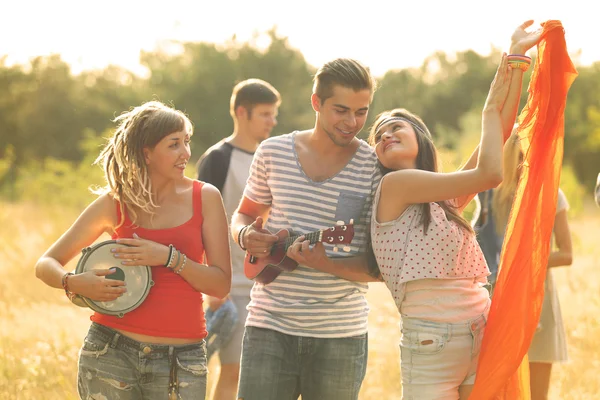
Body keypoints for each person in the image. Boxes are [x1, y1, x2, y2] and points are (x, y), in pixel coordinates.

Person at [364, 22, 542, 400]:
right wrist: (489, 105)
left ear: (420, 137)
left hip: (480, 326)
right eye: (377, 137)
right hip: (432, 339)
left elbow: (500, 129)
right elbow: (491, 171)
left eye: (394, 127)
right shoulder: (394, 186)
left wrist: (515, 59)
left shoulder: (443, 199)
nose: (384, 136)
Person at [34, 101, 231, 399]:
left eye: (186, 142)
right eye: (174, 144)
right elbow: (45, 263)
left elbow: (221, 283)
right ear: (147, 153)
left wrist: (168, 257)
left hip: (182, 360)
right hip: (111, 352)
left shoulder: (205, 198)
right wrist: (72, 282)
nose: (185, 153)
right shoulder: (116, 203)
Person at [230, 58, 381, 400]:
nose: (352, 122)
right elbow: (242, 215)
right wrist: (245, 236)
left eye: (361, 111)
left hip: (340, 336)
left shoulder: (374, 167)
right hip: (269, 325)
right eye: (341, 110)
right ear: (317, 102)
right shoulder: (273, 152)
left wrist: (324, 263)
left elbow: (379, 268)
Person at [196, 78, 281, 400]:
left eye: (274, 114)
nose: (273, 121)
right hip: (229, 288)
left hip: (268, 286)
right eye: (265, 114)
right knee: (232, 371)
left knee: (258, 377)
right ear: (242, 112)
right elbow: (200, 225)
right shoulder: (217, 158)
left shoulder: (272, 158)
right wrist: (212, 289)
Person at [481, 132, 573, 400]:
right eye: (521, 155)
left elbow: (567, 254)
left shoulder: (553, 193)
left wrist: (524, 261)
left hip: (539, 303)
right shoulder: (491, 198)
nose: (527, 162)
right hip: (498, 303)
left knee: (537, 396)